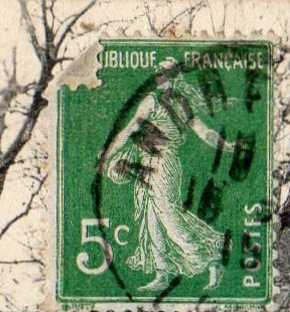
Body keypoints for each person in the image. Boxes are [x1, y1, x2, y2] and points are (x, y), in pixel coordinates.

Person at [99, 58, 239, 292]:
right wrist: (109, 154)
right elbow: (130, 130)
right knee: (150, 219)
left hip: (163, 163)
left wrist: (226, 145)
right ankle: (162, 273)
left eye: (168, 74)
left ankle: (212, 256)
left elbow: (203, 132)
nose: (163, 78)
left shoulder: (169, 103)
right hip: (146, 162)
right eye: (161, 74)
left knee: (168, 216)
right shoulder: (156, 101)